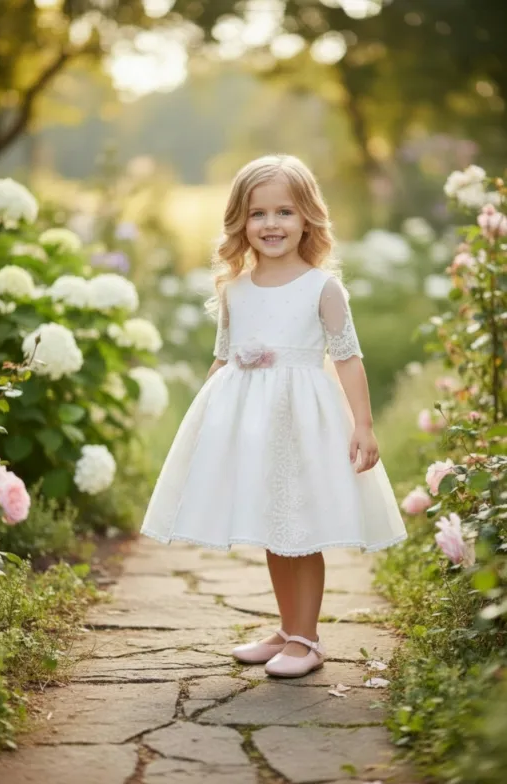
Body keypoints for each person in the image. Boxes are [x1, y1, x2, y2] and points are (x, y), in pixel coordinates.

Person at [141, 154, 407, 678]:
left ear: (308, 217)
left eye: (284, 211)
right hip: (253, 424)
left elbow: (349, 358)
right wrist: (206, 425)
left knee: (299, 526)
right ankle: (288, 629)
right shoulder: (235, 288)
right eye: (257, 214)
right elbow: (224, 357)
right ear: (240, 220)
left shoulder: (322, 288)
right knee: (273, 526)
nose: (271, 224)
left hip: (302, 423)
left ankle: (307, 640)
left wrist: (363, 424)